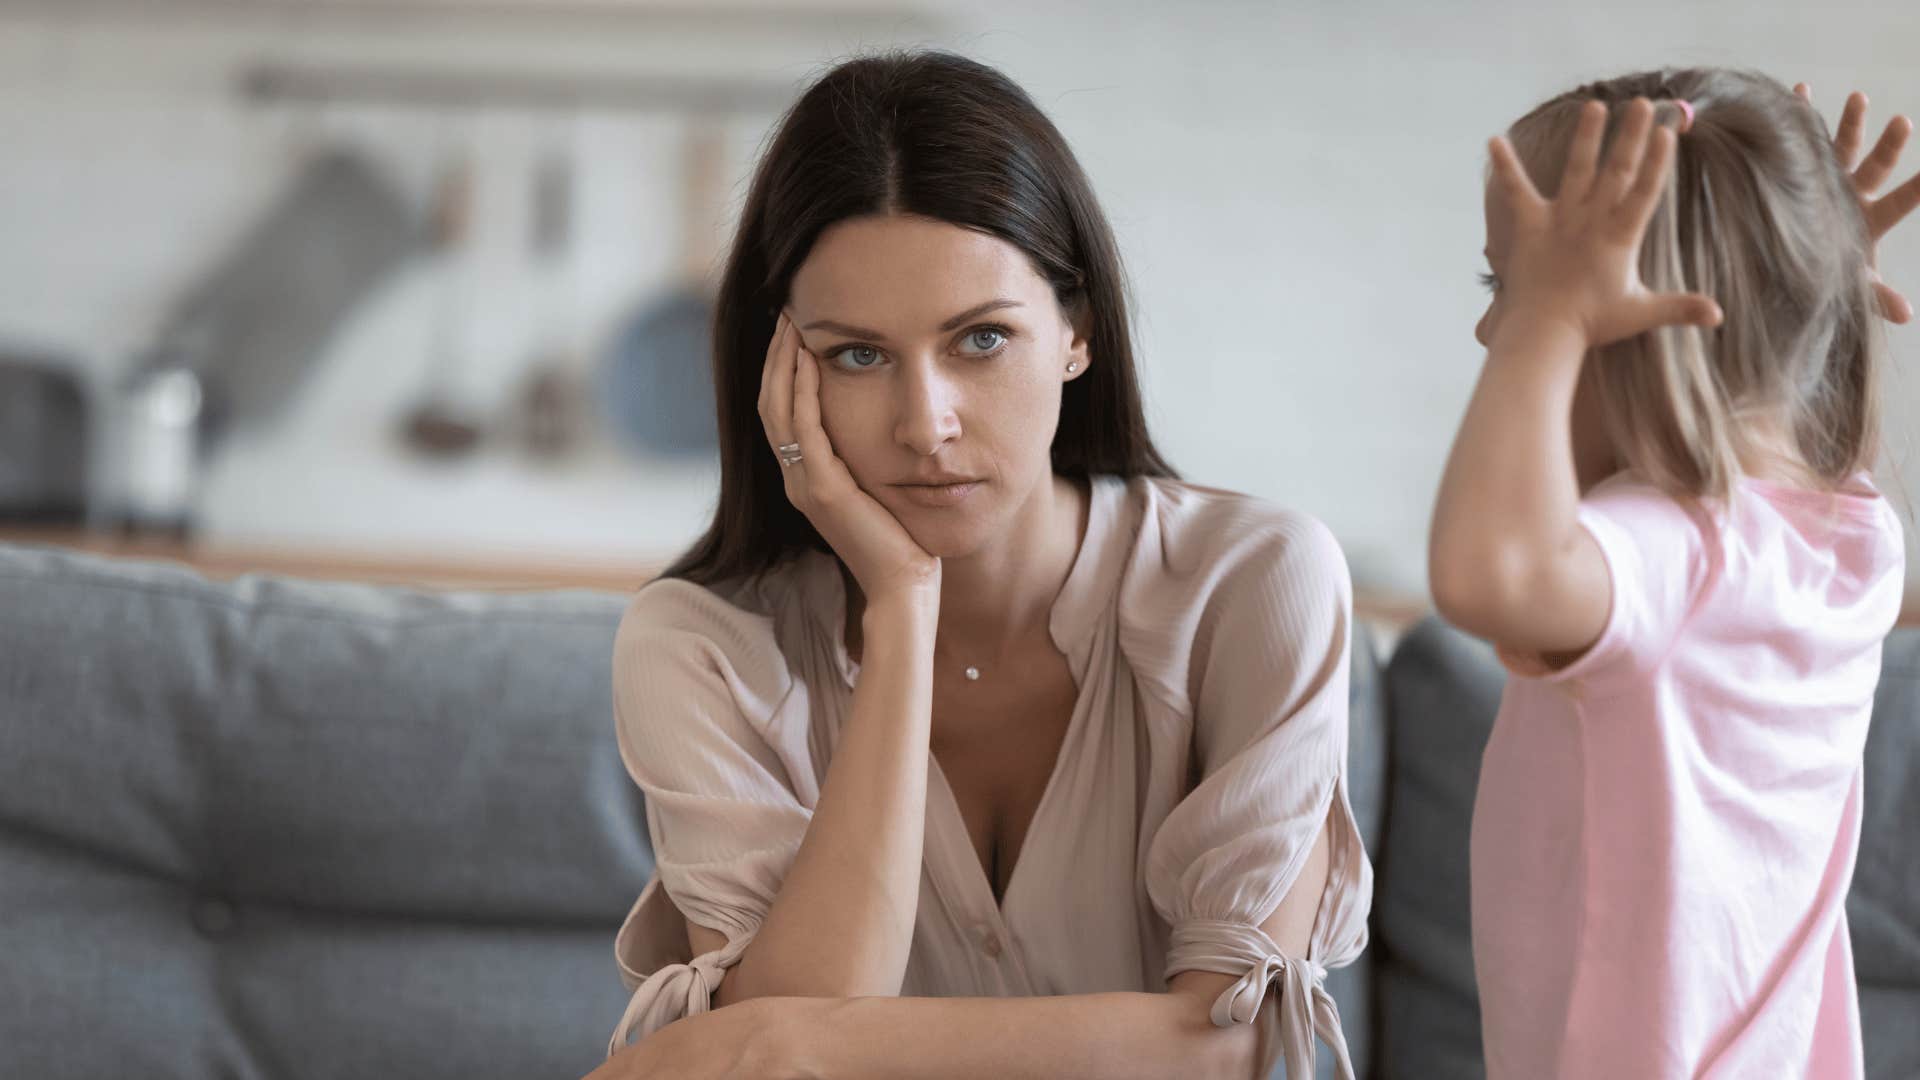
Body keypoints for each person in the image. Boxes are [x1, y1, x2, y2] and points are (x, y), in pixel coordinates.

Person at [587, 49, 1372, 1080]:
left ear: (1076, 333)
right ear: (782, 371)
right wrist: (903, 603)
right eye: (857, 355)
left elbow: (1234, 1054)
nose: (926, 425)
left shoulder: (1254, 584)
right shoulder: (698, 644)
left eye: (982, 340)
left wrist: (793, 1033)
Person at [1430, 69, 1918, 1078]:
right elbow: (1778, 422)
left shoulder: (1666, 558)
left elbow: (1485, 574)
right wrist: (1808, 287)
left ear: (1628, 328)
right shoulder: (1854, 539)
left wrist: (1544, 327)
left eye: (1507, 287)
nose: (1493, 329)